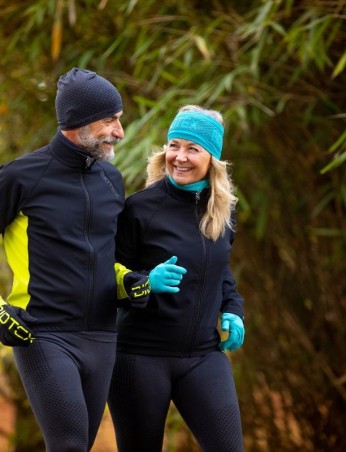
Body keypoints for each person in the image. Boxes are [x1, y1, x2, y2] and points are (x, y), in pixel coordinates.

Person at [0, 67, 148, 451]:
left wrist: (127, 282)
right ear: (77, 122)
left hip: (102, 335)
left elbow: (105, 257)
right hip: (43, 332)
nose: (119, 132)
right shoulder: (20, 177)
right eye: (110, 120)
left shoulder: (111, 180)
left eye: (119, 120)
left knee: (80, 441)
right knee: (68, 444)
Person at [108, 105, 246, 451]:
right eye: (173, 145)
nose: (179, 157)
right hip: (140, 357)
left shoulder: (223, 211)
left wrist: (233, 308)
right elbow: (106, 279)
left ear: (212, 158)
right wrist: (145, 282)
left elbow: (221, 271)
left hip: (203, 356)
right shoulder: (139, 209)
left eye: (192, 149)